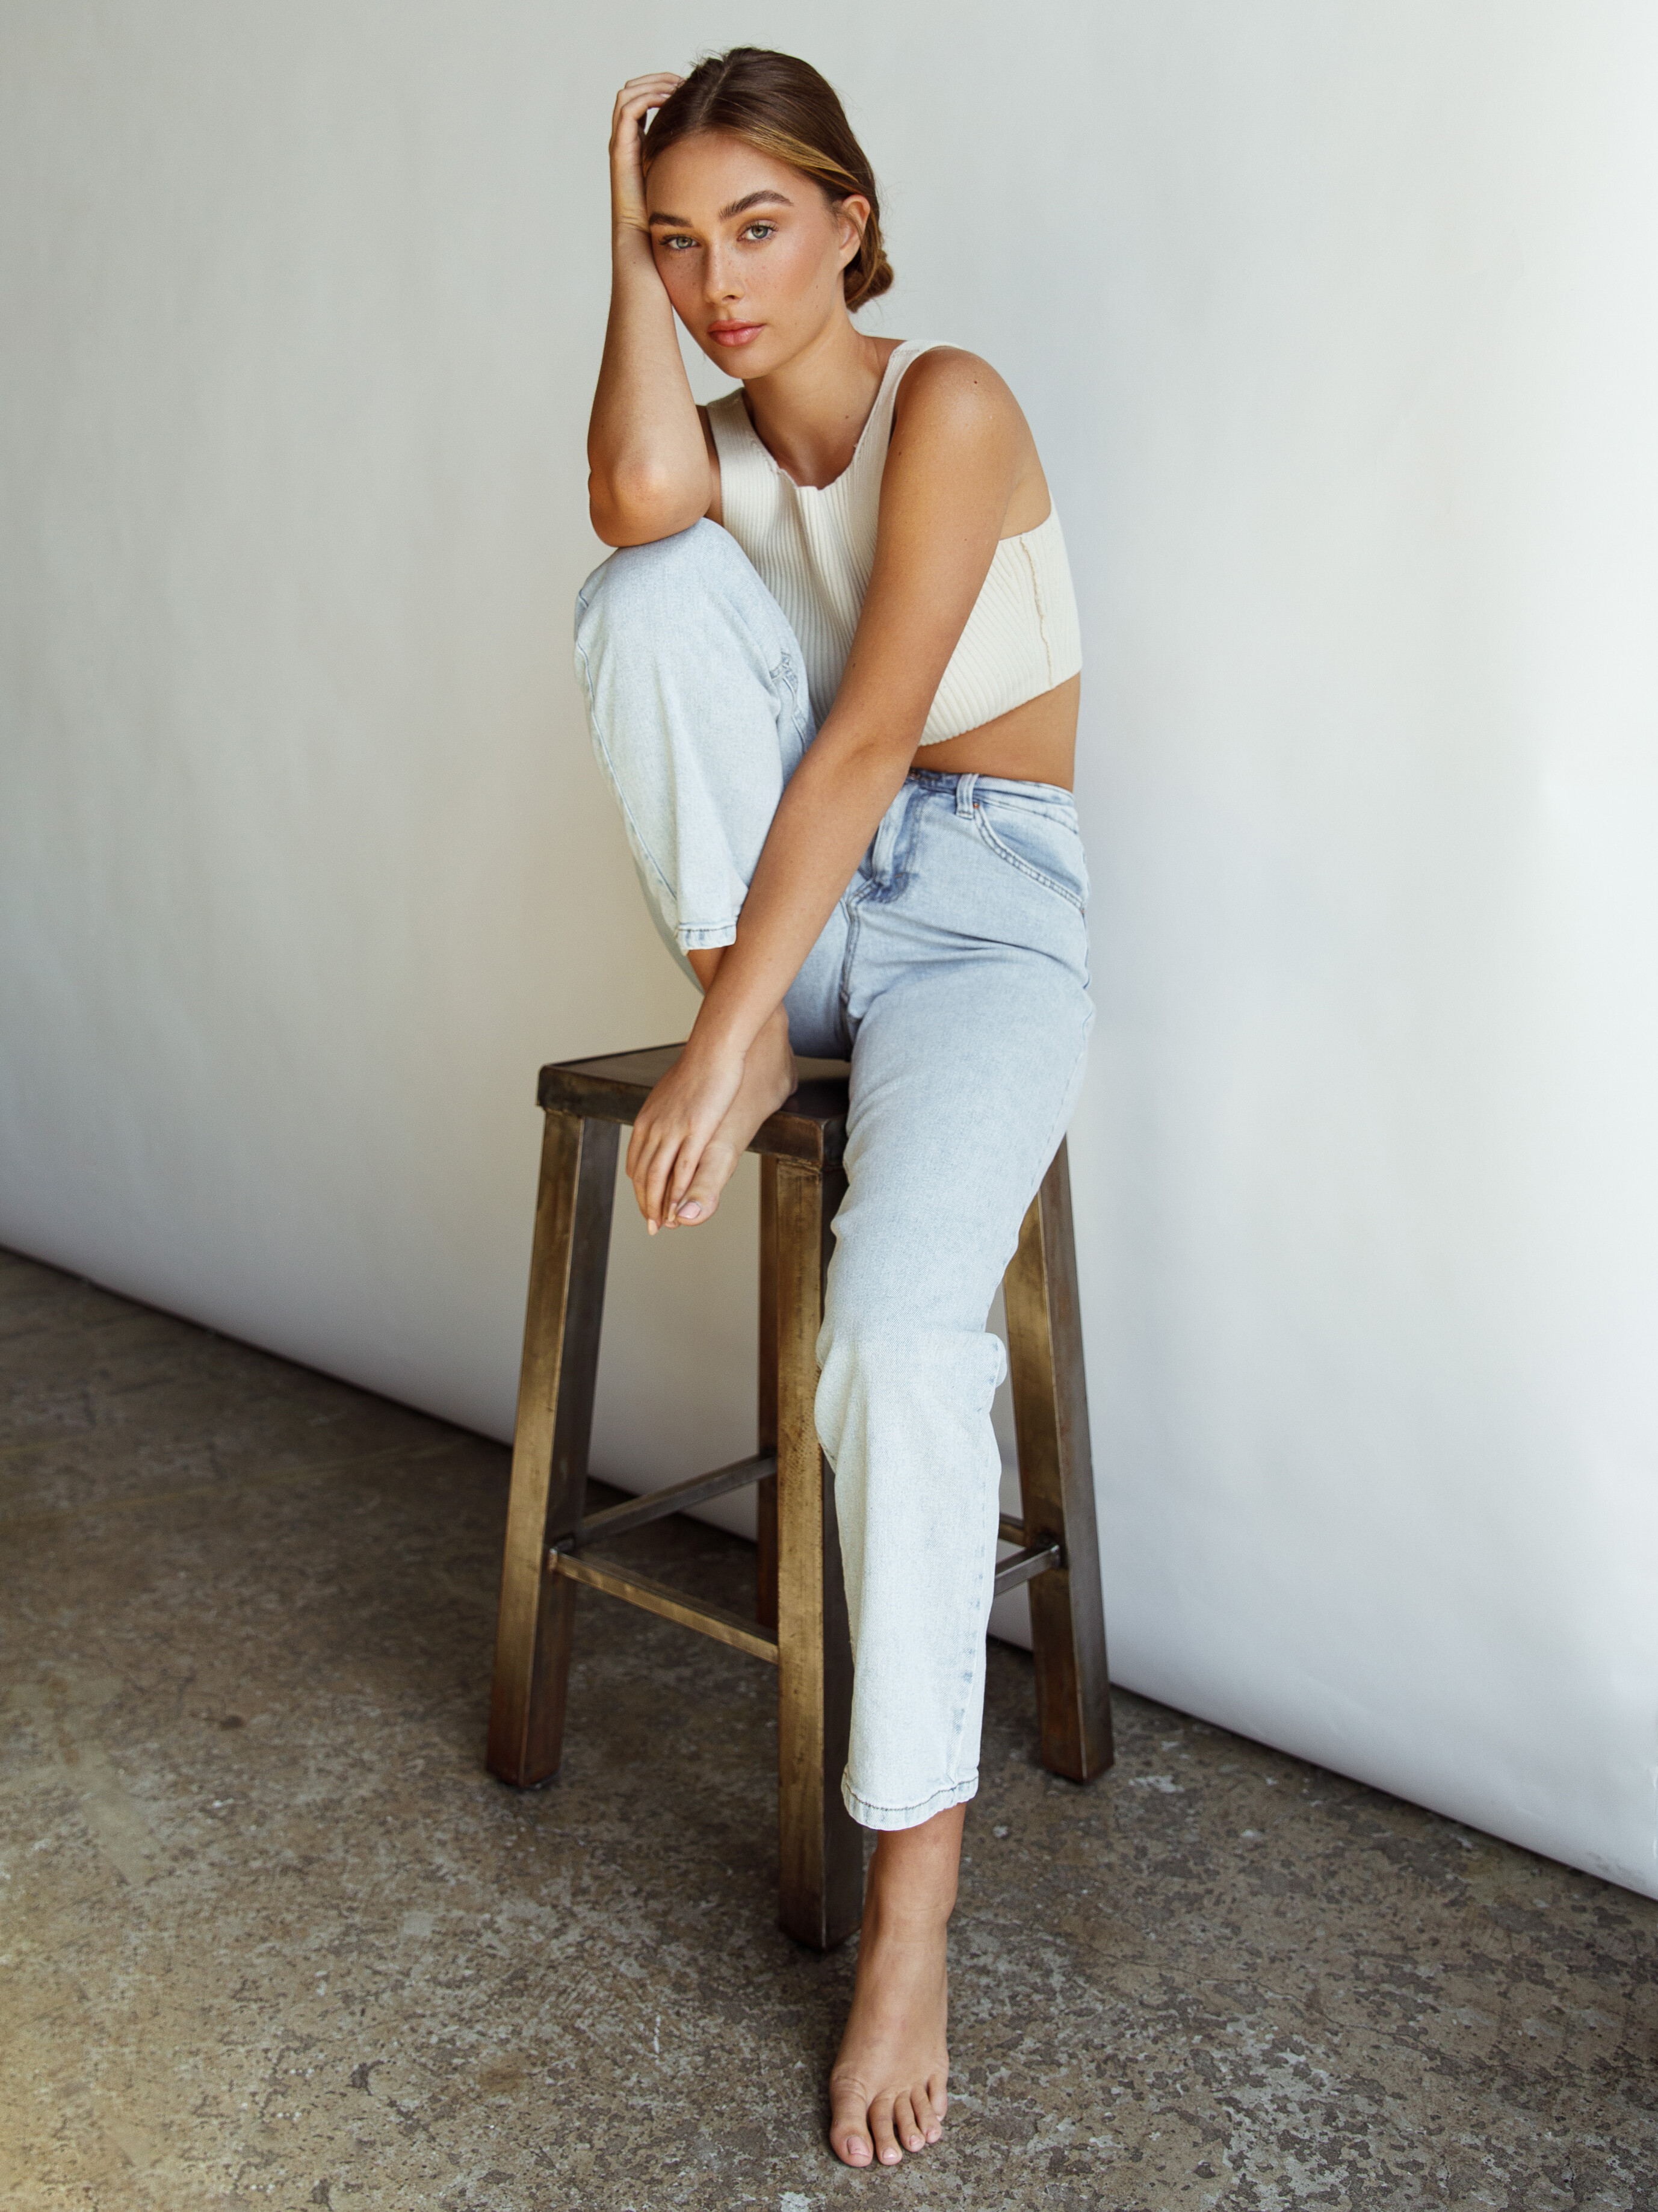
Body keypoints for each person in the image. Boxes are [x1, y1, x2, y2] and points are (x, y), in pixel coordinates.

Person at [577, 46, 1091, 2171]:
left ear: (852, 222)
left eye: (758, 227)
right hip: (793, 919)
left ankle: (912, 1915)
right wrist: (604, 221)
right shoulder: (702, 442)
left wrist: (724, 1041)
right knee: (639, 584)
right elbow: (631, 501)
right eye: (677, 243)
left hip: (977, 917)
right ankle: (755, 1010)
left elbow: (875, 734)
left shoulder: (946, 400)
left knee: (886, 1345)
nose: (718, 281)